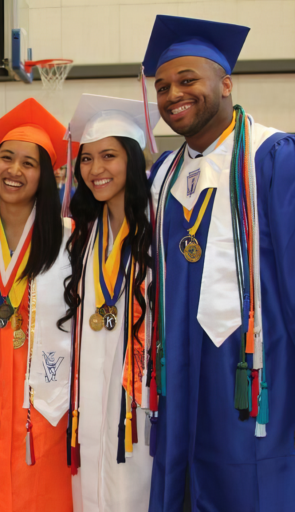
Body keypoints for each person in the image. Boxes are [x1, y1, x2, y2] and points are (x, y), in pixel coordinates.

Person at [142, 16, 295, 511]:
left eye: (187, 81)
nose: (172, 95)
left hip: (253, 376)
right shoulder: (165, 174)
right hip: (177, 375)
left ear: (226, 83)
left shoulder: (274, 158)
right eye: (163, 86)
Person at [0, 98, 74, 512]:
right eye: (7, 158)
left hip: (43, 399)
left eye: (29, 163)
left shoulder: (68, 240)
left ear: (44, 175)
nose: (15, 170)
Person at [59, 94, 160, 512]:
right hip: (90, 393)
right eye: (86, 159)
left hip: (139, 396)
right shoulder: (82, 234)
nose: (95, 170)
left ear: (133, 160)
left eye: (108, 156)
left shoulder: (161, 226)